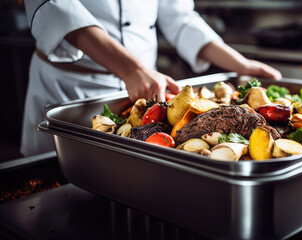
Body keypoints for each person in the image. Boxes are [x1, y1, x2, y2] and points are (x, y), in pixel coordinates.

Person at [21, 0, 282, 157]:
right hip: (69, 87)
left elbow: (180, 17)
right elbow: (54, 6)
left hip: (147, 90)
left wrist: (240, 64)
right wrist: (131, 69)